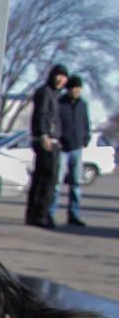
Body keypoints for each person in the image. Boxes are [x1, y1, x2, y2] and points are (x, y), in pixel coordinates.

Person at [25, 63, 68, 229]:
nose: (61, 79)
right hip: (46, 141)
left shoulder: (54, 95)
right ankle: (39, 214)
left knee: (43, 178)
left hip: (53, 141)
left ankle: (36, 213)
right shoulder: (45, 92)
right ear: (52, 76)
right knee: (47, 179)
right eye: (59, 75)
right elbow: (41, 115)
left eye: (64, 77)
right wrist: (43, 135)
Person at [53, 74, 90, 226]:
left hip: (77, 148)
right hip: (62, 148)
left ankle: (73, 215)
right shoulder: (60, 103)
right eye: (74, 87)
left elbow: (86, 123)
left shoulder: (83, 104)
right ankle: (50, 214)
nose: (76, 90)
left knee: (76, 183)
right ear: (68, 88)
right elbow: (55, 122)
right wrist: (58, 138)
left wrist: (85, 138)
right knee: (57, 183)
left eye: (79, 88)